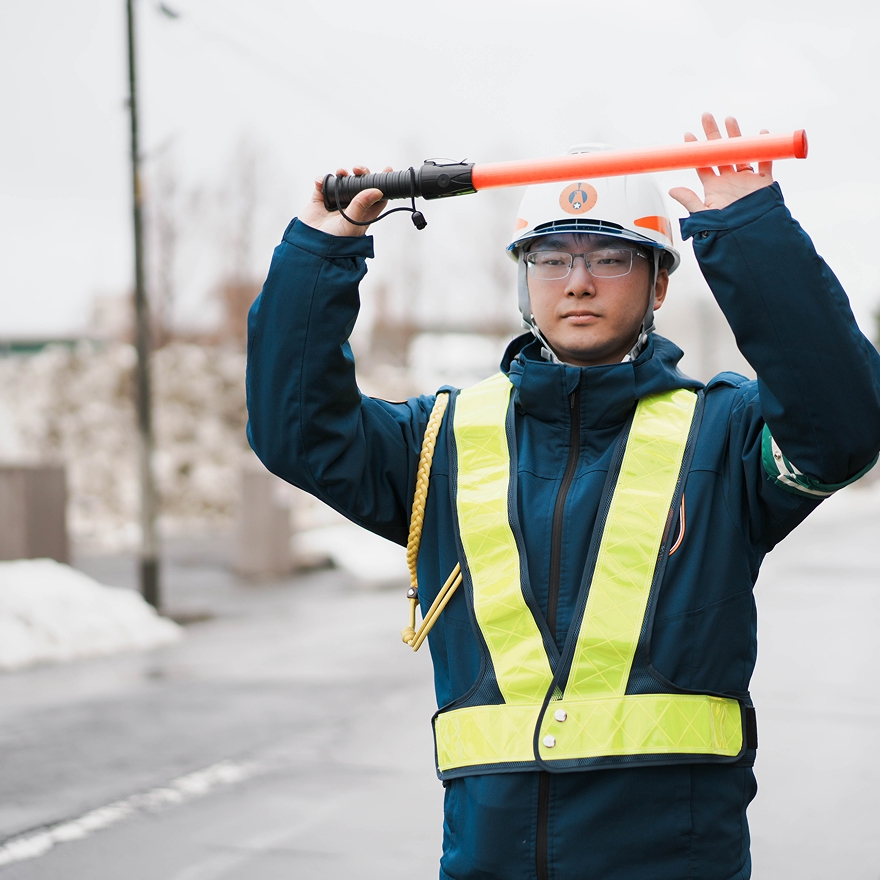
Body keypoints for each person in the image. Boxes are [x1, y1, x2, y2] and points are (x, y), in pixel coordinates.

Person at [245, 114, 880, 880]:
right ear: (524, 280)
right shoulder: (440, 441)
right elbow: (297, 431)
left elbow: (844, 427)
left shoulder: (726, 435)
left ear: (659, 282)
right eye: (550, 258)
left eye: (610, 257)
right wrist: (320, 253)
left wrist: (750, 235)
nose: (577, 281)